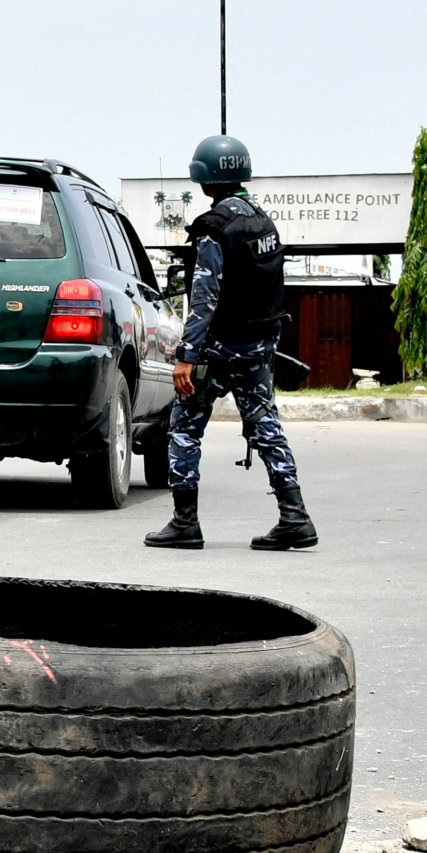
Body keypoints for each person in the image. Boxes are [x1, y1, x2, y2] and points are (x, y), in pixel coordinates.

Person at [145, 134, 316, 552]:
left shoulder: (214, 228)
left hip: (218, 351)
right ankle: (295, 517)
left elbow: (204, 299)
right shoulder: (264, 223)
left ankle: (185, 522)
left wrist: (186, 357)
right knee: (266, 426)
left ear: (206, 180)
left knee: (184, 427)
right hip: (258, 348)